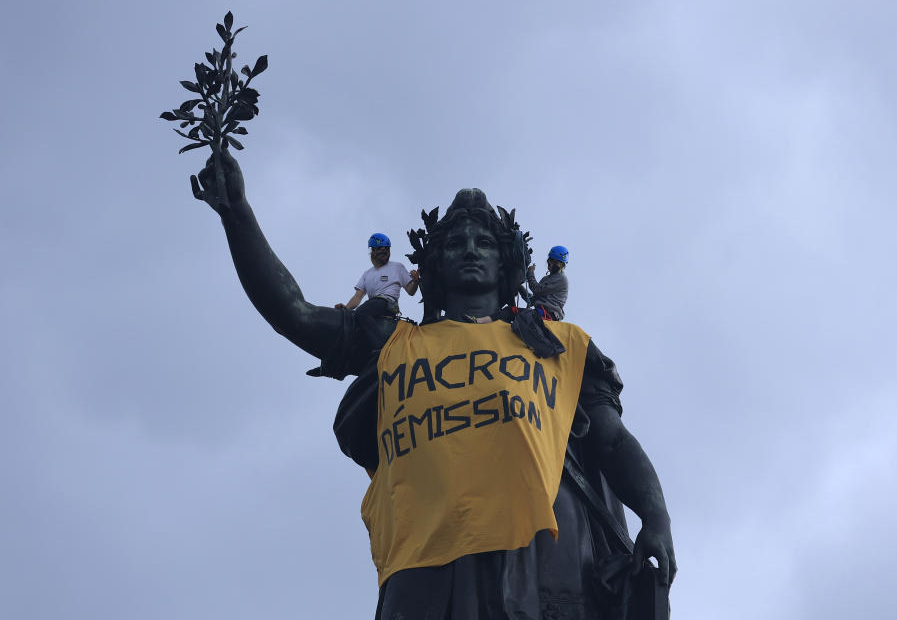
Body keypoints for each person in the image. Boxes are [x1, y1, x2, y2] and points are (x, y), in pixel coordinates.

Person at [191, 153, 676, 619]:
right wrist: (236, 213)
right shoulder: (393, 341)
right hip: (429, 561)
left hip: (547, 561)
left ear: (506, 262)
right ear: (433, 264)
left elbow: (610, 440)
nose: (469, 250)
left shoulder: (557, 344)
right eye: (454, 244)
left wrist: (656, 517)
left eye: (483, 243)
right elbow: (293, 314)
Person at [335, 233, 420, 347]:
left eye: (387, 248)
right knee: (353, 322)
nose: (384, 250)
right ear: (373, 251)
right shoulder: (367, 274)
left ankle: (381, 347)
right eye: (380, 248)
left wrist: (415, 281)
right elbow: (357, 297)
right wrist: (345, 309)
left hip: (387, 303)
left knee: (361, 312)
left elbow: (411, 291)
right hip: (373, 307)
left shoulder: (397, 267)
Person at [524, 245, 569, 321]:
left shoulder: (561, 279)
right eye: (551, 260)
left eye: (556, 262)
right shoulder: (546, 279)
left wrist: (530, 273)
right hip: (540, 311)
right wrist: (519, 288)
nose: (551, 263)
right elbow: (533, 298)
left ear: (562, 265)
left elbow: (536, 289)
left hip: (549, 314)